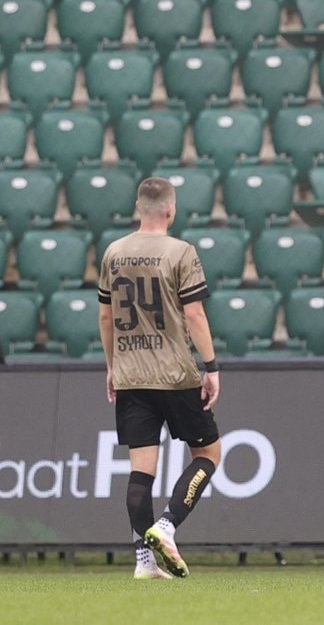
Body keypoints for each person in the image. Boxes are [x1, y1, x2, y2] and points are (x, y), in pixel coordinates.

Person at [97, 177, 222, 580]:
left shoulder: (114, 252)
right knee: (208, 455)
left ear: (138, 207)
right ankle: (166, 526)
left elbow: (105, 316)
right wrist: (211, 366)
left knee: (141, 470)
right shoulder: (181, 252)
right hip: (175, 373)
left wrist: (112, 366)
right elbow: (194, 314)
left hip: (131, 374)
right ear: (171, 209)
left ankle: (143, 560)